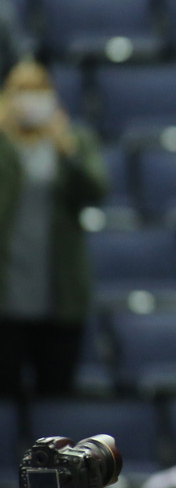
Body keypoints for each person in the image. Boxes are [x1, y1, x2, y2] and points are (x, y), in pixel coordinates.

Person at [0, 59, 107, 400]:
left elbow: (97, 190)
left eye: (39, 91)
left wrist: (69, 152)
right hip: (6, 294)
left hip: (59, 293)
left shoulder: (74, 140)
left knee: (57, 396)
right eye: (23, 91)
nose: (31, 99)